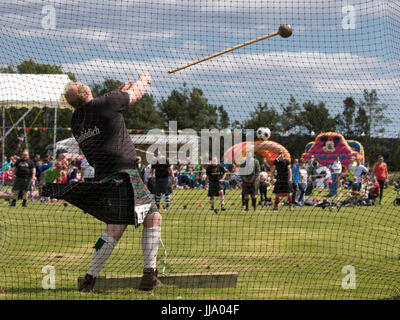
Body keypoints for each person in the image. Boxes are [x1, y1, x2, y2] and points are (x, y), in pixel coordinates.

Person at [43, 73, 163, 292]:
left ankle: (90, 278)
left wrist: (117, 93)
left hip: (104, 174)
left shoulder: (76, 120)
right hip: (124, 174)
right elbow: (135, 94)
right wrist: (144, 79)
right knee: (153, 217)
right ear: (88, 91)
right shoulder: (107, 102)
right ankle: (149, 274)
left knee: (114, 228)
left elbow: (101, 119)